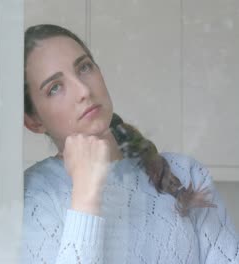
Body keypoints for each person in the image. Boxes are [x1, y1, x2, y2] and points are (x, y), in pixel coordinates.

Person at [21, 24, 239, 264]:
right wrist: (85, 194)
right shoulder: (33, 195)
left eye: (84, 67)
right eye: (54, 88)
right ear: (34, 122)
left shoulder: (187, 175)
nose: (83, 90)